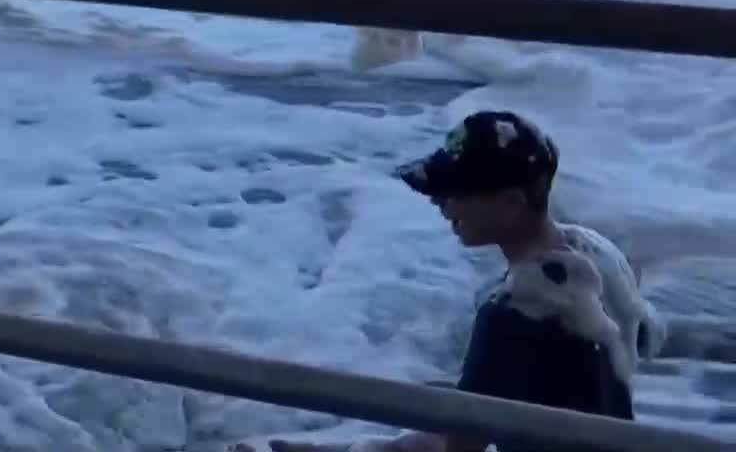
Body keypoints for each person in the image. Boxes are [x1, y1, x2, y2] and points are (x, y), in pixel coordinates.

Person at [257, 110, 657, 452]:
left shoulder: (514, 312)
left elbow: (460, 448)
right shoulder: (597, 256)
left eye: (457, 191)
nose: (440, 203)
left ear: (512, 202)